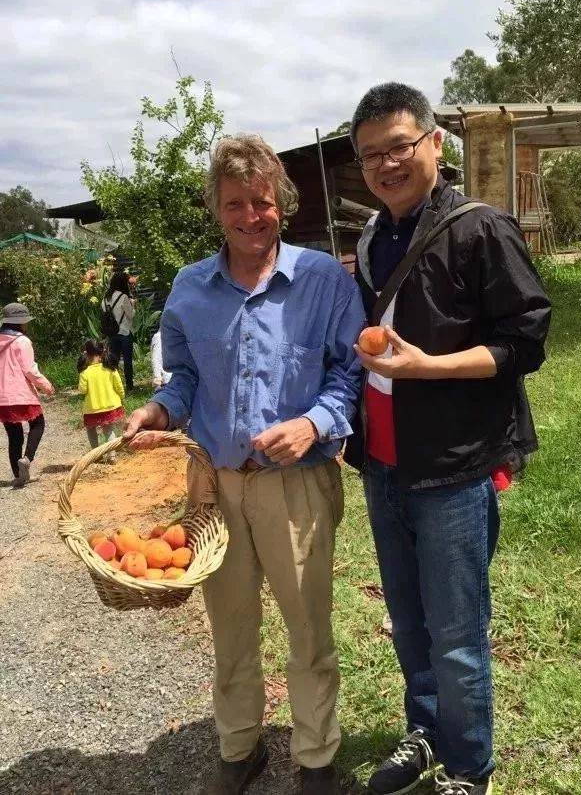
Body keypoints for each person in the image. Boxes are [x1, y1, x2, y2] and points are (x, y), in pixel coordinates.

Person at [123, 134, 365, 795]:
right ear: (216, 207)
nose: (250, 216)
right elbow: (184, 379)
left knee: (309, 627)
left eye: (262, 202)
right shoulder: (189, 289)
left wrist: (314, 421)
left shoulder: (321, 281)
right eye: (235, 203)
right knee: (230, 626)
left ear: (282, 204)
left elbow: (351, 371)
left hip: (297, 486)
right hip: (216, 485)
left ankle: (315, 757)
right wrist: (157, 412)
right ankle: (240, 747)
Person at [344, 83, 551, 795]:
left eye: (400, 145)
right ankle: (427, 729)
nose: (386, 163)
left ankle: (470, 767)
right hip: (384, 463)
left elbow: (526, 340)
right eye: (371, 154)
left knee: (458, 634)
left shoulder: (481, 228)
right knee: (409, 621)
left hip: (455, 468)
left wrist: (429, 367)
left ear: (436, 142)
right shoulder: (374, 238)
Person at [0, 303, 54, 487]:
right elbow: (29, 370)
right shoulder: (22, 341)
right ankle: (27, 459)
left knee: (14, 436)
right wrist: (46, 386)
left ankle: (18, 476)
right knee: (38, 424)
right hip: (21, 394)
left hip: (2, 398)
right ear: (21, 323)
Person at [77, 339, 125, 461]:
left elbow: (82, 390)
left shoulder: (85, 372)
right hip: (110, 405)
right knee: (109, 430)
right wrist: (122, 396)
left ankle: (96, 455)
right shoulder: (111, 369)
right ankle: (112, 455)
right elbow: (119, 386)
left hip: (91, 408)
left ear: (86, 354)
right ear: (102, 352)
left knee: (91, 429)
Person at [102, 271, 136, 392]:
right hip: (125, 332)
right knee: (127, 361)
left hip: (112, 333)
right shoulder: (123, 297)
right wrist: (133, 305)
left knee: (114, 361)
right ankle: (129, 386)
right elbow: (131, 315)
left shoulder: (106, 298)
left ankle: (114, 386)